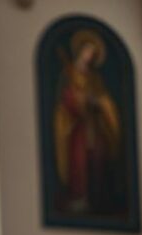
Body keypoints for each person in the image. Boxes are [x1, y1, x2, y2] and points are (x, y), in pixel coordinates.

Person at [54, 29, 121, 214]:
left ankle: (97, 197)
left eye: (92, 53)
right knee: (78, 160)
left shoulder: (95, 78)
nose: (89, 55)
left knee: (98, 159)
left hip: (94, 124)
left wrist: (97, 102)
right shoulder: (68, 74)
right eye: (87, 51)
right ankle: (79, 197)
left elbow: (104, 98)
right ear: (80, 51)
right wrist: (76, 101)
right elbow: (65, 99)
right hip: (77, 126)